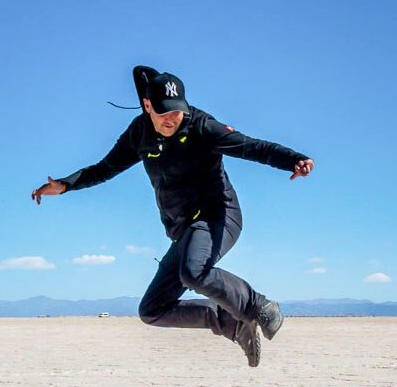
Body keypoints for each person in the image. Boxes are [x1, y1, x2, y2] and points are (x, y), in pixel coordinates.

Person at [31, 66, 315, 367]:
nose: (171, 118)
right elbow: (106, 168)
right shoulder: (139, 133)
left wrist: (293, 160)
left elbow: (251, 146)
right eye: (163, 112)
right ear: (147, 106)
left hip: (218, 216)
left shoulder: (202, 126)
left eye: (177, 111)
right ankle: (232, 324)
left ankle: (257, 305)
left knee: (194, 271)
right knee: (152, 310)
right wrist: (65, 185)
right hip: (184, 230)